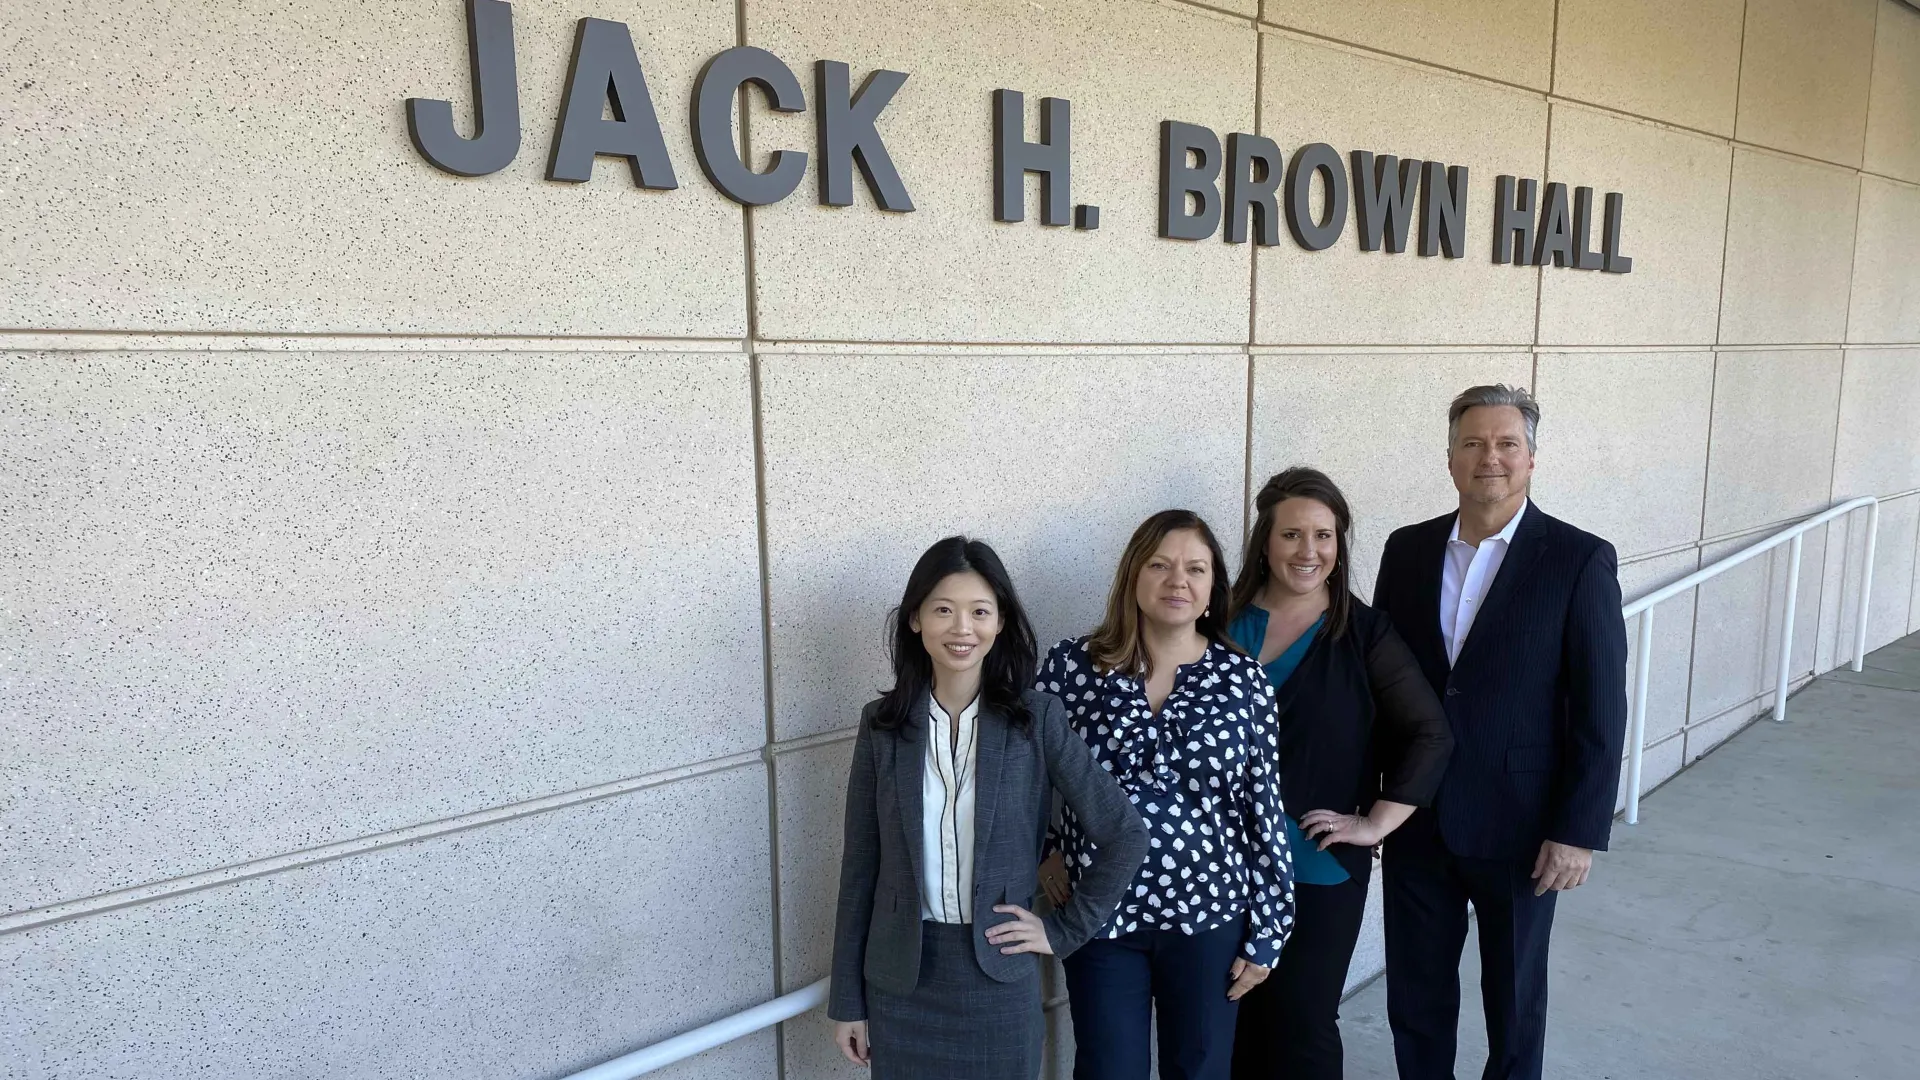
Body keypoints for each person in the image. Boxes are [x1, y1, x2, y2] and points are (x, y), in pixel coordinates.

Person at [1371, 385, 1629, 1080]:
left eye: (1507, 443)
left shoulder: (1579, 559)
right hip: (1417, 816)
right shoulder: (1407, 549)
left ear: (1531, 459)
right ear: (1450, 458)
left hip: (1524, 827)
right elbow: (1381, 686)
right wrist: (1375, 802)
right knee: (1415, 996)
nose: (1490, 457)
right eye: (1474, 443)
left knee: (1514, 1002)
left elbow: (1601, 709)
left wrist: (1578, 829)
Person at [828, 536, 1149, 1080]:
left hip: (997, 978)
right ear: (915, 620)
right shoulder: (881, 726)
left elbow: (1125, 833)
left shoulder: (1036, 720)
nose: (962, 628)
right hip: (900, 983)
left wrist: (1063, 931)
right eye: (943, 610)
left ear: (1000, 623)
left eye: (979, 611)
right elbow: (860, 867)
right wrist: (847, 1002)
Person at [1035, 509, 1295, 1080]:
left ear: (1212, 586)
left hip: (1209, 915)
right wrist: (1044, 850)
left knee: (1200, 1069)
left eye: (1195, 569)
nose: (1178, 580)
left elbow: (1263, 808)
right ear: (1133, 574)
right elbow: (1028, 774)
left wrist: (1270, 929)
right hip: (1099, 912)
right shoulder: (1072, 666)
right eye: (1160, 565)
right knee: (1108, 1069)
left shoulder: (1243, 680)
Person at [1224, 467, 1454, 1080]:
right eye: (1291, 534)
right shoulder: (1218, 624)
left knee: (1301, 1025)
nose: (1309, 551)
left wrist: (1373, 824)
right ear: (1265, 542)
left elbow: (1431, 735)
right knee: (1228, 1023)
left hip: (1317, 864)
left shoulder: (1364, 633)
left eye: (1323, 535)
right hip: (1218, 864)